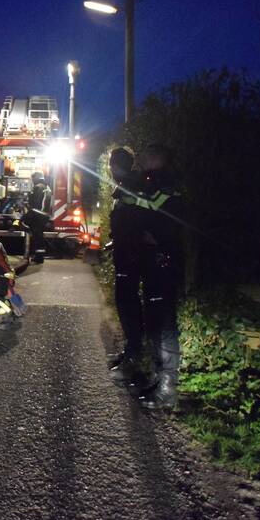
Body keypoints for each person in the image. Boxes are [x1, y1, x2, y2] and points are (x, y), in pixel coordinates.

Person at [132, 144, 184, 410]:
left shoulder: (164, 184)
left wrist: (156, 240)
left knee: (163, 325)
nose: (139, 162)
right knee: (154, 322)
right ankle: (158, 378)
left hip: (163, 261)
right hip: (153, 261)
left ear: (155, 159)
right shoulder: (154, 182)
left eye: (143, 157)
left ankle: (168, 389)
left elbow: (161, 214)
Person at [106, 147, 145, 380]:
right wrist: (114, 241)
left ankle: (134, 356)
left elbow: (134, 222)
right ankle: (132, 350)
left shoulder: (129, 186)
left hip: (130, 255)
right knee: (126, 303)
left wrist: (125, 243)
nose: (110, 169)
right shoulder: (126, 185)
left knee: (128, 303)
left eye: (112, 164)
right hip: (127, 252)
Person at [23, 172, 52, 262]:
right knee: (39, 235)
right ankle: (38, 255)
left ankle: (38, 257)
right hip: (44, 215)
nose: (32, 181)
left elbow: (34, 202)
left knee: (22, 221)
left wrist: (27, 204)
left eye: (33, 179)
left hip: (37, 214)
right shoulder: (47, 187)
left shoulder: (38, 187)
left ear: (36, 178)